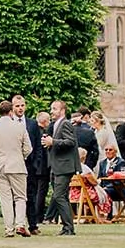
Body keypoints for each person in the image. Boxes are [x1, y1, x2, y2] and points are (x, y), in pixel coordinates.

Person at [0, 98, 32, 237]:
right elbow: (28, 148)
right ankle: (20, 224)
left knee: (5, 199)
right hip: (17, 165)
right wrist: (20, 156)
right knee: (20, 197)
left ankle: (9, 229)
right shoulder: (20, 127)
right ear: (11, 112)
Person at [45, 99, 82, 235]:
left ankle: (68, 227)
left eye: (54, 109)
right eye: (51, 109)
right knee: (62, 197)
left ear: (62, 111)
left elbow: (70, 142)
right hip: (57, 166)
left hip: (64, 166)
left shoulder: (65, 124)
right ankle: (67, 227)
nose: (51, 111)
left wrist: (53, 141)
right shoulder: (55, 125)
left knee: (59, 196)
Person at [13, 95, 49, 234]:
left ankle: (33, 225)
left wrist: (35, 163)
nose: (20, 108)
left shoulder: (32, 124)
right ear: (12, 107)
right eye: (17, 106)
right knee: (15, 196)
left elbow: (38, 146)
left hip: (29, 165)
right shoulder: (9, 122)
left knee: (31, 195)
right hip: (14, 164)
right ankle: (16, 224)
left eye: (22, 105)